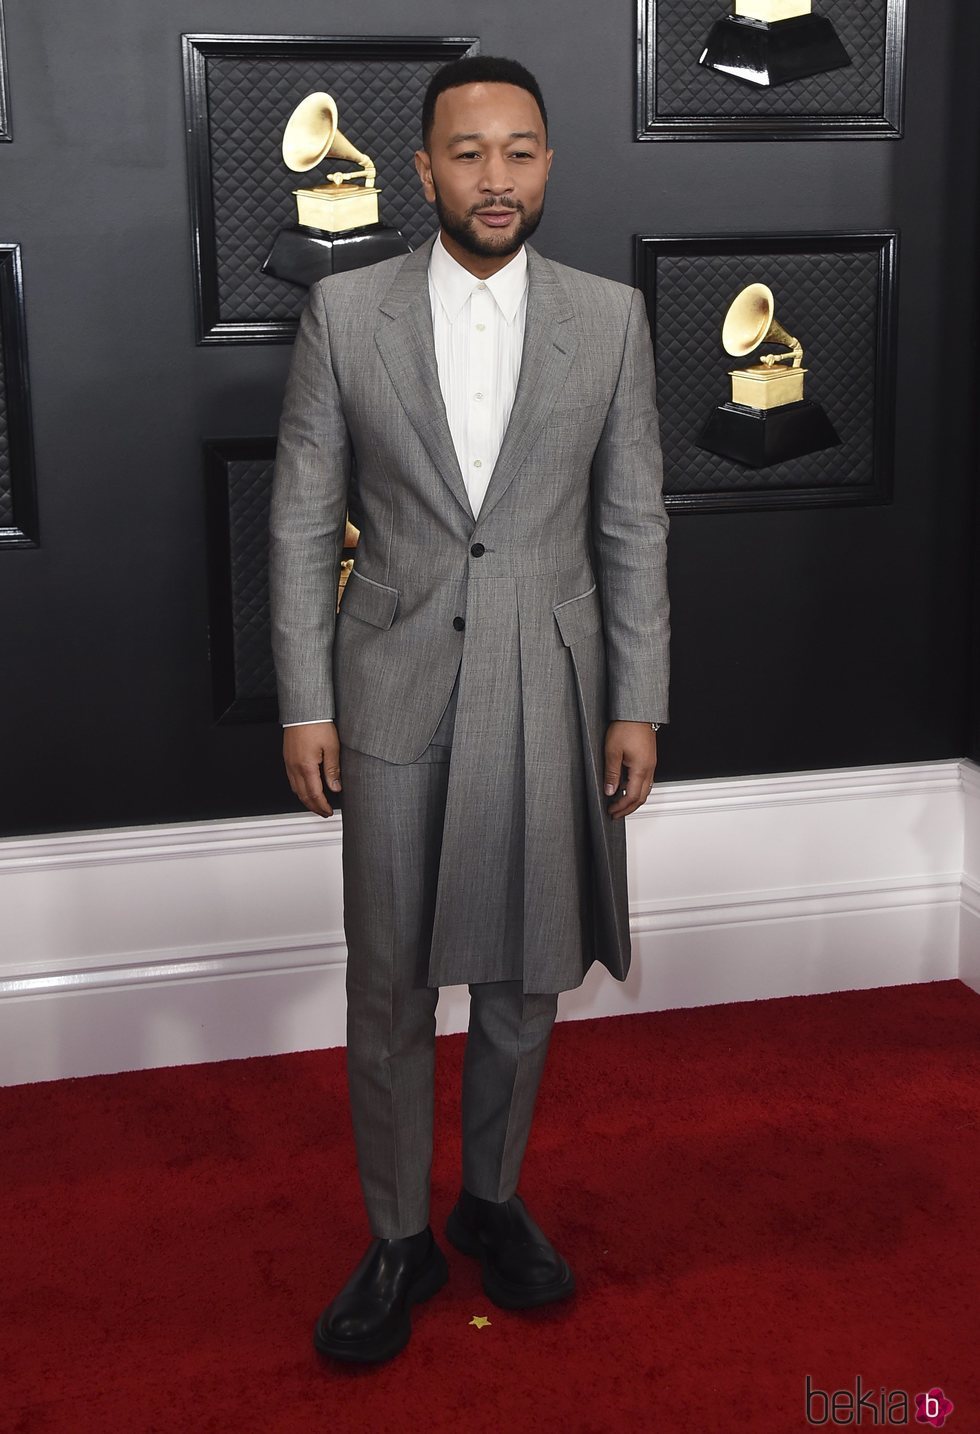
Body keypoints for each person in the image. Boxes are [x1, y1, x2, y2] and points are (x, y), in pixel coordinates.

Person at [269, 53, 670, 1366]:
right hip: (386, 678)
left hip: (552, 678)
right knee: (387, 977)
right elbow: (294, 521)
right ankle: (397, 1238)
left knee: (522, 966)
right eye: (468, 153)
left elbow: (631, 524)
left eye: (520, 151)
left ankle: (490, 1198)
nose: (495, 177)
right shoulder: (345, 313)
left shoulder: (611, 318)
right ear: (427, 167)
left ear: (547, 164)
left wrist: (639, 701)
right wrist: (303, 699)